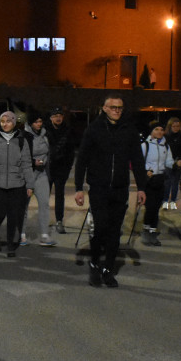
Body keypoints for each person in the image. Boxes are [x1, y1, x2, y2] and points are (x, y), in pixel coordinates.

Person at [74, 94, 147, 287]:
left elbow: (138, 160)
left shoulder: (129, 130)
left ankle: (108, 269)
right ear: (104, 108)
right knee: (100, 228)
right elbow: (82, 159)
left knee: (115, 231)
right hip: (99, 187)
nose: (116, 110)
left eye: (120, 107)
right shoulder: (94, 129)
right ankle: (95, 264)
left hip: (120, 188)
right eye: (113, 107)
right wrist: (78, 188)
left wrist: (141, 187)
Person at [0, 111, 35, 258]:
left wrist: (30, 185)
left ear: (14, 122)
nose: (5, 124)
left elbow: (26, 164)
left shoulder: (21, 141)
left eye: (8, 121)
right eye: (3, 121)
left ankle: (11, 243)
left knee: (13, 216)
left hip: (17, 185)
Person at [22, 112, 55, 246]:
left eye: (40, 121)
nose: (39, 124)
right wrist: (32, 162)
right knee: (23, 206)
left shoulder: (45, 135)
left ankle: (44, 235)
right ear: (30, 123)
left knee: (44, 203)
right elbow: (20, 155)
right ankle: (21, 234)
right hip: (27, 174)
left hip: (41, 174)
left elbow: (50, 151)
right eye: (36, 122)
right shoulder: (24, 136)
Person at [140, 121, 174, 245]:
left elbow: (169, 161)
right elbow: (137, 162)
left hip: (161, 178)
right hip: (149, 179)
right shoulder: (145, 145)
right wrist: (145, 171)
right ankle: (146, 230)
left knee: (157, 207)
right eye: (156, 129)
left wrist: (176, 164)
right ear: (151, 131)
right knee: (150, 207)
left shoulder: (166, 146)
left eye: (161, 129)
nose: (159, 132)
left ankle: (153, 231)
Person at [45, 106, 75, 233]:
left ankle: (59, 221)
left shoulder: (68, 131)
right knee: (44, 196)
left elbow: (71, 152)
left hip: (61, 169)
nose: (58, 118)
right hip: (47, 169)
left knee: (59, 195)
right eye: (55, 115)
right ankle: (44, 219)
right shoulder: (45, 131)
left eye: (60, 115)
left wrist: (67, 168)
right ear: (51, 118)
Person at [163, 117, 181, 210]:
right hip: (168, 163)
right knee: (167, 182)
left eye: (178, 126)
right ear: (170, 126)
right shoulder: (165, 137)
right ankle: (165, 200)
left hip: (179, 162)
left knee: (175, 182)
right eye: (174, 126)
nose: (176, 128)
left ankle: (173, 200)